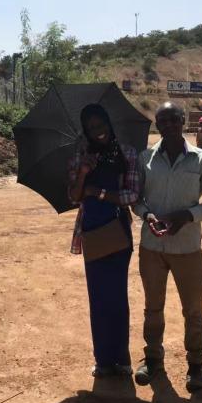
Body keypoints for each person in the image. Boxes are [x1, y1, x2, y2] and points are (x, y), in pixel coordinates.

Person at [132, 102, 202, 393]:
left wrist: (188, 215)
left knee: (193, 310)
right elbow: (136, 199)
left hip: (187, 249)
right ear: (157, 125)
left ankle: (196, 365)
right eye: (163, 121)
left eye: (174, 119)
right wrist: (147, 215)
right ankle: (152, 359)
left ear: (183, 121)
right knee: (152, 307)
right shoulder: (145, 159)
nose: (169, 125)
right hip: (152, 247)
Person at [68, 104, 140, 378]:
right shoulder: (81, 156)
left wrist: (97, 192)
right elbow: (73, 196)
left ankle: (122, 359)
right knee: (97, 298)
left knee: (117, 296)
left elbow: (132, 194)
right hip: (92, 231)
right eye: (92, 128)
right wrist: (84, 172)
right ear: (86, 131)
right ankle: (103, 360)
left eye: (101, 125)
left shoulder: (127, 153)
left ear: (109, 123)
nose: (98, 131)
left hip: (117, 230)